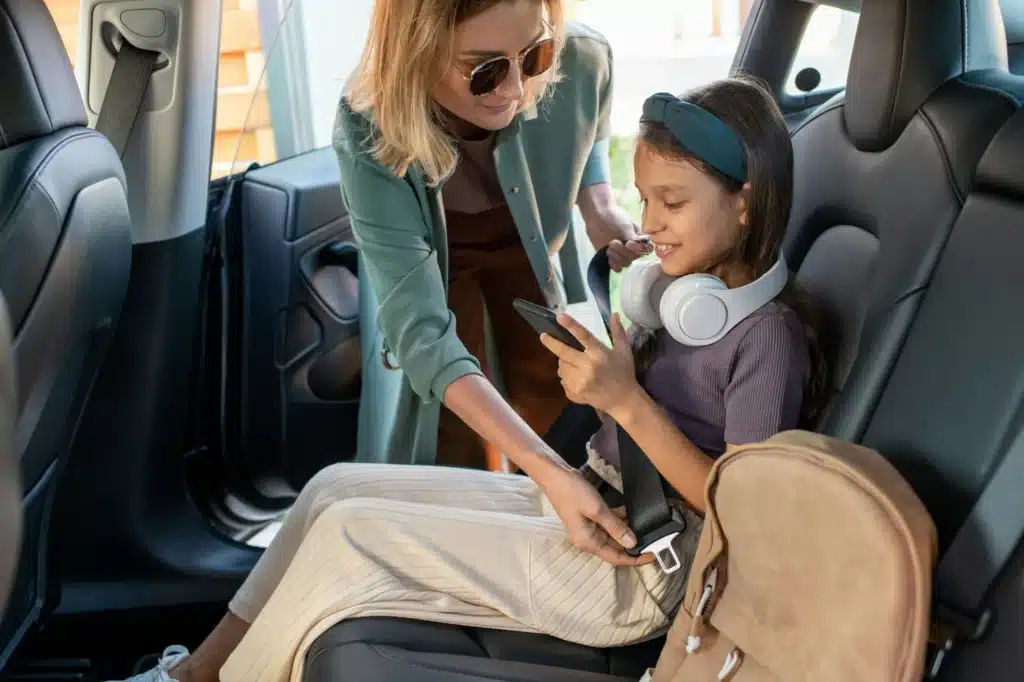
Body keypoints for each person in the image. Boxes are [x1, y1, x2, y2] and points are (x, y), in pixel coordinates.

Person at [109, 74, 831, 682]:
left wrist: (626, 401)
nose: (652, 222)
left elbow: (746, 513)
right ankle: (189, 674)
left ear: (745, 201)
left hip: (641, 569)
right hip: (598, 511)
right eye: (644, 199)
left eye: (672, 203)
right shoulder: (679, 300)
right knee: (334, 489)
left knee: (353, 534)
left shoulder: (767, 337)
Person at [347, 0, 650, 473]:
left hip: (530, 260)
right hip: (436, 276)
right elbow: (424, 332)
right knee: (458, 444)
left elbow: (589, 124)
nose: (514, 89)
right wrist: (547, 473)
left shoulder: (585, 57)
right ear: (416, 51)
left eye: (534, 57)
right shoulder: (367, 123)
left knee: (566, 412)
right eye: (484, 69)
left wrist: (599, 205)